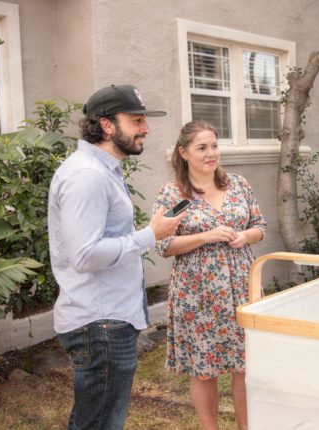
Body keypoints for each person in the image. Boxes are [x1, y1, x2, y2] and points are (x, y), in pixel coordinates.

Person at [48, 84, 186, 430]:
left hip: (106, 322)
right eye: (136, 120)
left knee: (94, 421)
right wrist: (150, 235)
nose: (146, 128)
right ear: (107, 125)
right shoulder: (88, 176)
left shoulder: (102, 170)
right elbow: (85, 255)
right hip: (100, 325)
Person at [153, 120, 266, 430]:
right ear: (184, 153)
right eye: (202, 147)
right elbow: (163, 244)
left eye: (214, 146)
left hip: (242, 285)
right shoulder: (175, 195)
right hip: (197, 292)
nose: (210, 153)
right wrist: (207, 236)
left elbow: (260, 226)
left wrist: (245, 236)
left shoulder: (238, 184)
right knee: (204, 368)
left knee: (247, 363)